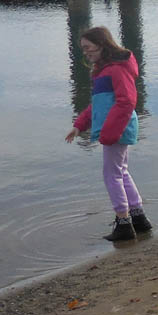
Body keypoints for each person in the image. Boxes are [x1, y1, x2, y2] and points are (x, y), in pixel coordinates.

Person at [65, 26, 152, 242]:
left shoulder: (116, 69)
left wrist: (110, 133)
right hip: (116, 129)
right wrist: (79, 126)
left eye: (88, 47)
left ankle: (123, 224)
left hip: (117, 129)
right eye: (83, 49)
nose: (86, 52)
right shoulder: (104, 71)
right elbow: (99, 105)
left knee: (111, 174)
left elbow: (126, 102)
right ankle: (138, 218)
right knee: (121, 172)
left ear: (102, 45)